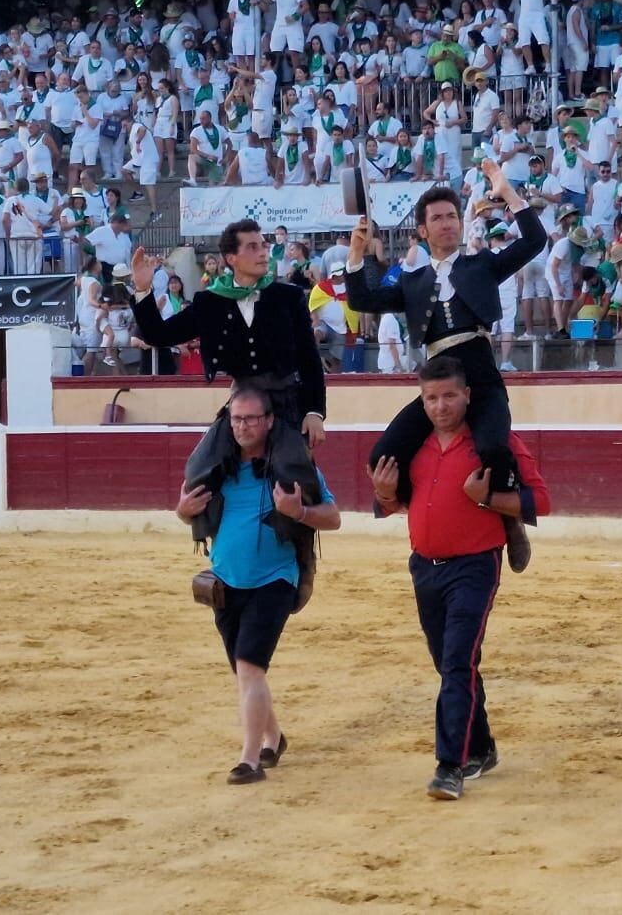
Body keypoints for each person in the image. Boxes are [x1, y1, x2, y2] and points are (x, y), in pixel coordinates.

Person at [345, 160, 545, 572]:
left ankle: (509, 521)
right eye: (437, 218)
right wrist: (356, 253)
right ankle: (421, 510)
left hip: (482, 376)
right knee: (383, 455)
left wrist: (507, 192)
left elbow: (534, 241)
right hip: (437, 385)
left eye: (452, 216)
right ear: (422, 230)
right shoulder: (412, 281)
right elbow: (362, 300)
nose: (447, 224)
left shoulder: (482, 265)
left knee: (492, 445)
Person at [367, 358, 550, 801]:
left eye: (449, 396)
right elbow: (394, 503)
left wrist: (487, 496)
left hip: (475, 566)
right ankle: (481, 747)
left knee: (455, 662)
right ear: (421, 399)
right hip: (424, 566)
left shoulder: (495, 443)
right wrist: (385, 494)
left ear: (467, 395)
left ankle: (450, 765)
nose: (441, 406)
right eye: (431, 398)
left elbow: (539, 501)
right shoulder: (414, 445)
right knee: (451, 663)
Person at [129, 220, 327, 609]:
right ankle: (220, 557)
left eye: (263, 245)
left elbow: (309, 358)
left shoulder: (288, 296)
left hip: (286, 403)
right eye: (252, 247)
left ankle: (300, 557)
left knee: (296, 475)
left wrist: (314, 411)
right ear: (231, 258)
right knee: (200, 468)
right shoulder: (210, 301)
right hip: (241, 404)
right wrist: (142, 289)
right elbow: (158, 335)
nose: (262, 251)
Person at [176, 382, 342, 785]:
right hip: (225, 579)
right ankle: (274, 737)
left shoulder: (291, 465)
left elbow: (333, 516)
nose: (243, 426)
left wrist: (298, 510)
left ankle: (250, 760)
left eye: (251, 418)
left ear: (269, 421)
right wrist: (182, 511)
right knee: (246, 672)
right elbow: (187, 509)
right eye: (236, 419)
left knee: (249, 665)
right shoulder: (219, 466)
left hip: (276, 579)